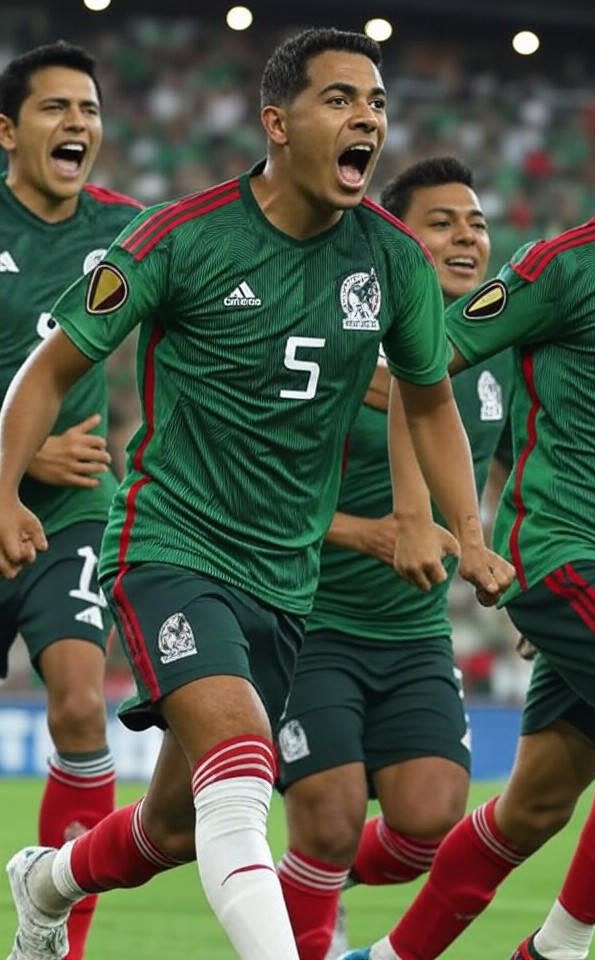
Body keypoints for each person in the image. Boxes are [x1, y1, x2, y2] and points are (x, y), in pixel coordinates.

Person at [0, 28, 513, 960]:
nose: (367, 117)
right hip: (168, 547)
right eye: (340, 99)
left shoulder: (393, 261)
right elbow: (48, 371)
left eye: (377, 103)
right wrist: (1, 494)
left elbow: (430, 402)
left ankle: (48, 878)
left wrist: (466, 533)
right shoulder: (181, 237)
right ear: (277, 123)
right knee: (241, 768)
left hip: (284, 580)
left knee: (178, 828)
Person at [340, 71, 595, 960]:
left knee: (533, 809)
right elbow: (425, 363)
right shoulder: (563, 267)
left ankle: (380, 950)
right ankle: (557, 949)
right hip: (565, 551)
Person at [275, 156, 514, 960]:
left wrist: (519, 571)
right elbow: (266, 490)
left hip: (414, 633)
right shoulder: (340, 336)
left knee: (427, 820)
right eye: (441, 223)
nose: (465, 237)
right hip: (310, 619)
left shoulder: (497, 352)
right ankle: (308, 914)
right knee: (332, 818)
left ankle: (321, 890)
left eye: (476, 223)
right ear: (395, 238)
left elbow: (524, 472)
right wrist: (363, 532)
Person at [0, 41, 142, 960]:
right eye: (57, 109)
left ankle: (55, 931)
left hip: (75, 512)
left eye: (88, 111)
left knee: (83, 708)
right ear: (8, 130)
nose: (78, 125)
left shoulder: (133, 232)